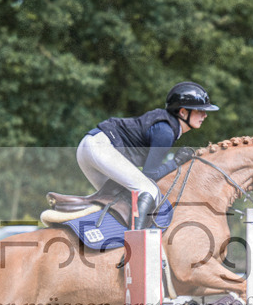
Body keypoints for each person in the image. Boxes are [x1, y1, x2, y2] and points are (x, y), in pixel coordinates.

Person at [76, 81, 219, 229]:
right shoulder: (165, 132)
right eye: (199, 110)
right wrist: (176, 162)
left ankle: (106, 241)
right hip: (100, 147)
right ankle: (137, 245)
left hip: (89, 148)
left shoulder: (166, 125)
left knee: (121, 199)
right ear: (183, 112)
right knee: (149, 190)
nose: (205, 115)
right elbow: (150, 175)